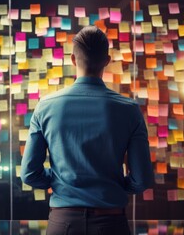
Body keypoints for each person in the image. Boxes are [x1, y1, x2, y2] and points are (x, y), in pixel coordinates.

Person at [21, 26, 154, 235]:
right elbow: (142, 180)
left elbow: (29, 174)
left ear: (73, 59)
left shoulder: (45, 106)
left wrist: (61, 180)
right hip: (111, 223)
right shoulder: (129, 110)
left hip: (62, 223)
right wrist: (113, 184)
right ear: (107, 61)